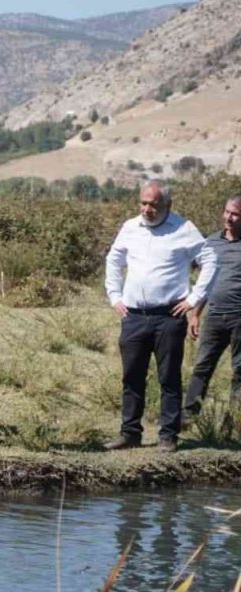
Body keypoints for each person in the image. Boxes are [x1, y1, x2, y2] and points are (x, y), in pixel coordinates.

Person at [103, 180, 216, 453]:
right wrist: (114, 296)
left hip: (168, 316)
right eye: (143, 203)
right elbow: (114, 259)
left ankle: (168, 435)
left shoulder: (183, 228)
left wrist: (193, 298)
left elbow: (210, 259)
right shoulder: (130, 227)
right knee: (131, 376)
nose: (147, 209)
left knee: (169, 377)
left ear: (167, 205)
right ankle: (130, 432)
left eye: (153, 204)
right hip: (133, 315)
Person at [185, 196, 241, 415]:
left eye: (235, 214)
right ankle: (188, 415)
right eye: (227, 212)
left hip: (239, 317)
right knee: (202, 366)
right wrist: (196, 315)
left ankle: (236, 420)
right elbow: (203, 283)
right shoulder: (210, 243)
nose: (229, 217)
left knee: (239, 370)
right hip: (214, 316)